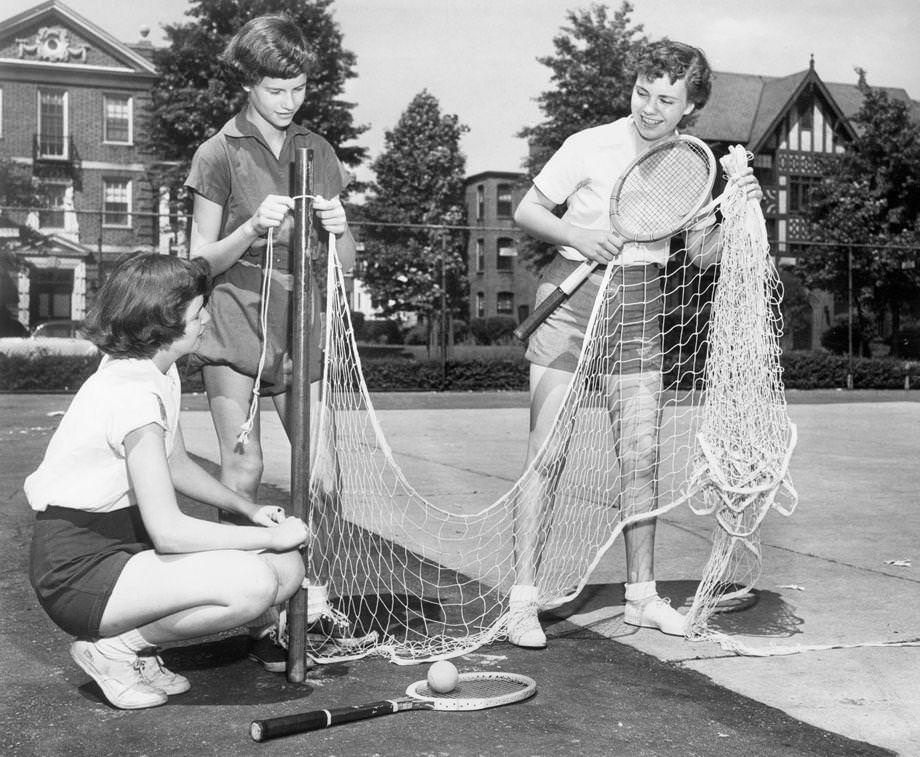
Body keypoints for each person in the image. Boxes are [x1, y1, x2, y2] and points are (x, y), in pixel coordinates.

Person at [507, 40, 763, 648]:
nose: (650, 108)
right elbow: (527, 209)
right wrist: (577, 233)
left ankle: (641, 599)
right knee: (548, 453)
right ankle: (522, 601)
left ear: (689, 106)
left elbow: (701, 255)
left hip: (640, 304)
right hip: (569, 302)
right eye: (642, 92)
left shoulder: (694, 166)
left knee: (640, 460)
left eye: (666, 99)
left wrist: (737, 209)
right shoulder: (589, 144)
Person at [26, 253, 309, 710]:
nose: (206, 320)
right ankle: (115, 652)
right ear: (166, 320)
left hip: (122, 552)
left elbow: (175, 464)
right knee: (253, 582)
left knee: (287, 569)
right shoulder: (132, 392)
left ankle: (132, 648)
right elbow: (170, 532)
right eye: (199, 312)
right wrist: (267, 536)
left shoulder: (157, 371)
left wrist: (249, 509)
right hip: (77, 568)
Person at [184, 14, 357, 671]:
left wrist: (342, 229)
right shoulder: (219, 151)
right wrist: (253, 226)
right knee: (245, 469)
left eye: (299, 88)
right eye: (276, 88)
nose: (289, 101)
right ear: (249, 82)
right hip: (235, 327)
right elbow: (200, 260)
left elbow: (351, 259)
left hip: (300, 324)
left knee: (325, 476)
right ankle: (243, 600)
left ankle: (315, 596)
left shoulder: (318, 149)